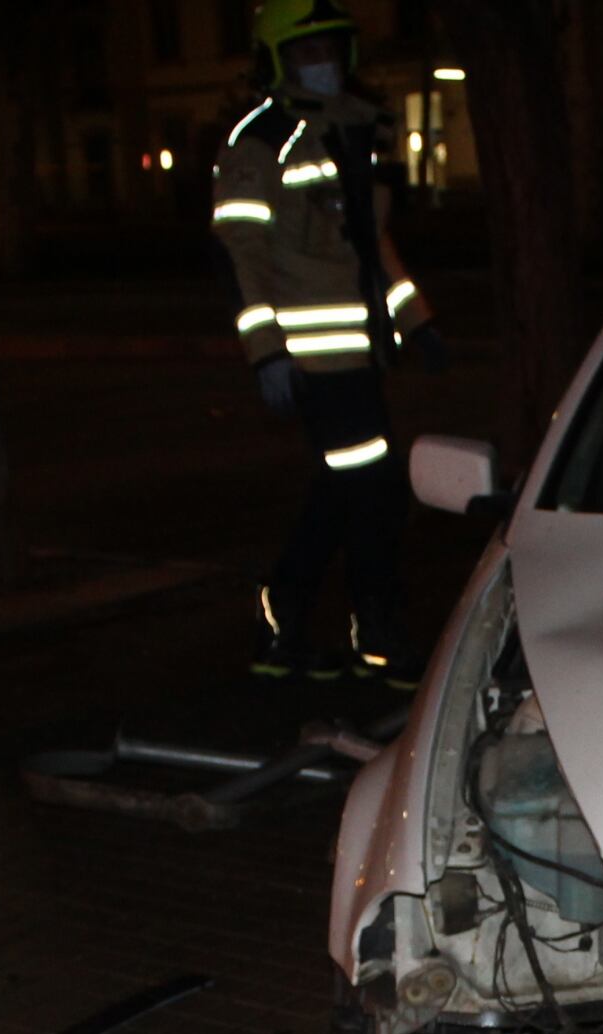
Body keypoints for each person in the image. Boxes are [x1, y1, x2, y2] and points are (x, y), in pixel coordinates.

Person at [212, 0, 441, 684]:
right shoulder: (261, 141)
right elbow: (242, 255)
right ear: (276, 61)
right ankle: (371, 633)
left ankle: (286, 622)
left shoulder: (355, 127)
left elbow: (371, 245)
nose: (326, 63)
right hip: (312, 359)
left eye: (333, 49)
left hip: (360, 354)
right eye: (308, 52)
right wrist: (267, 352)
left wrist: (416, 320)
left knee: (348, 491)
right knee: (372, 492)